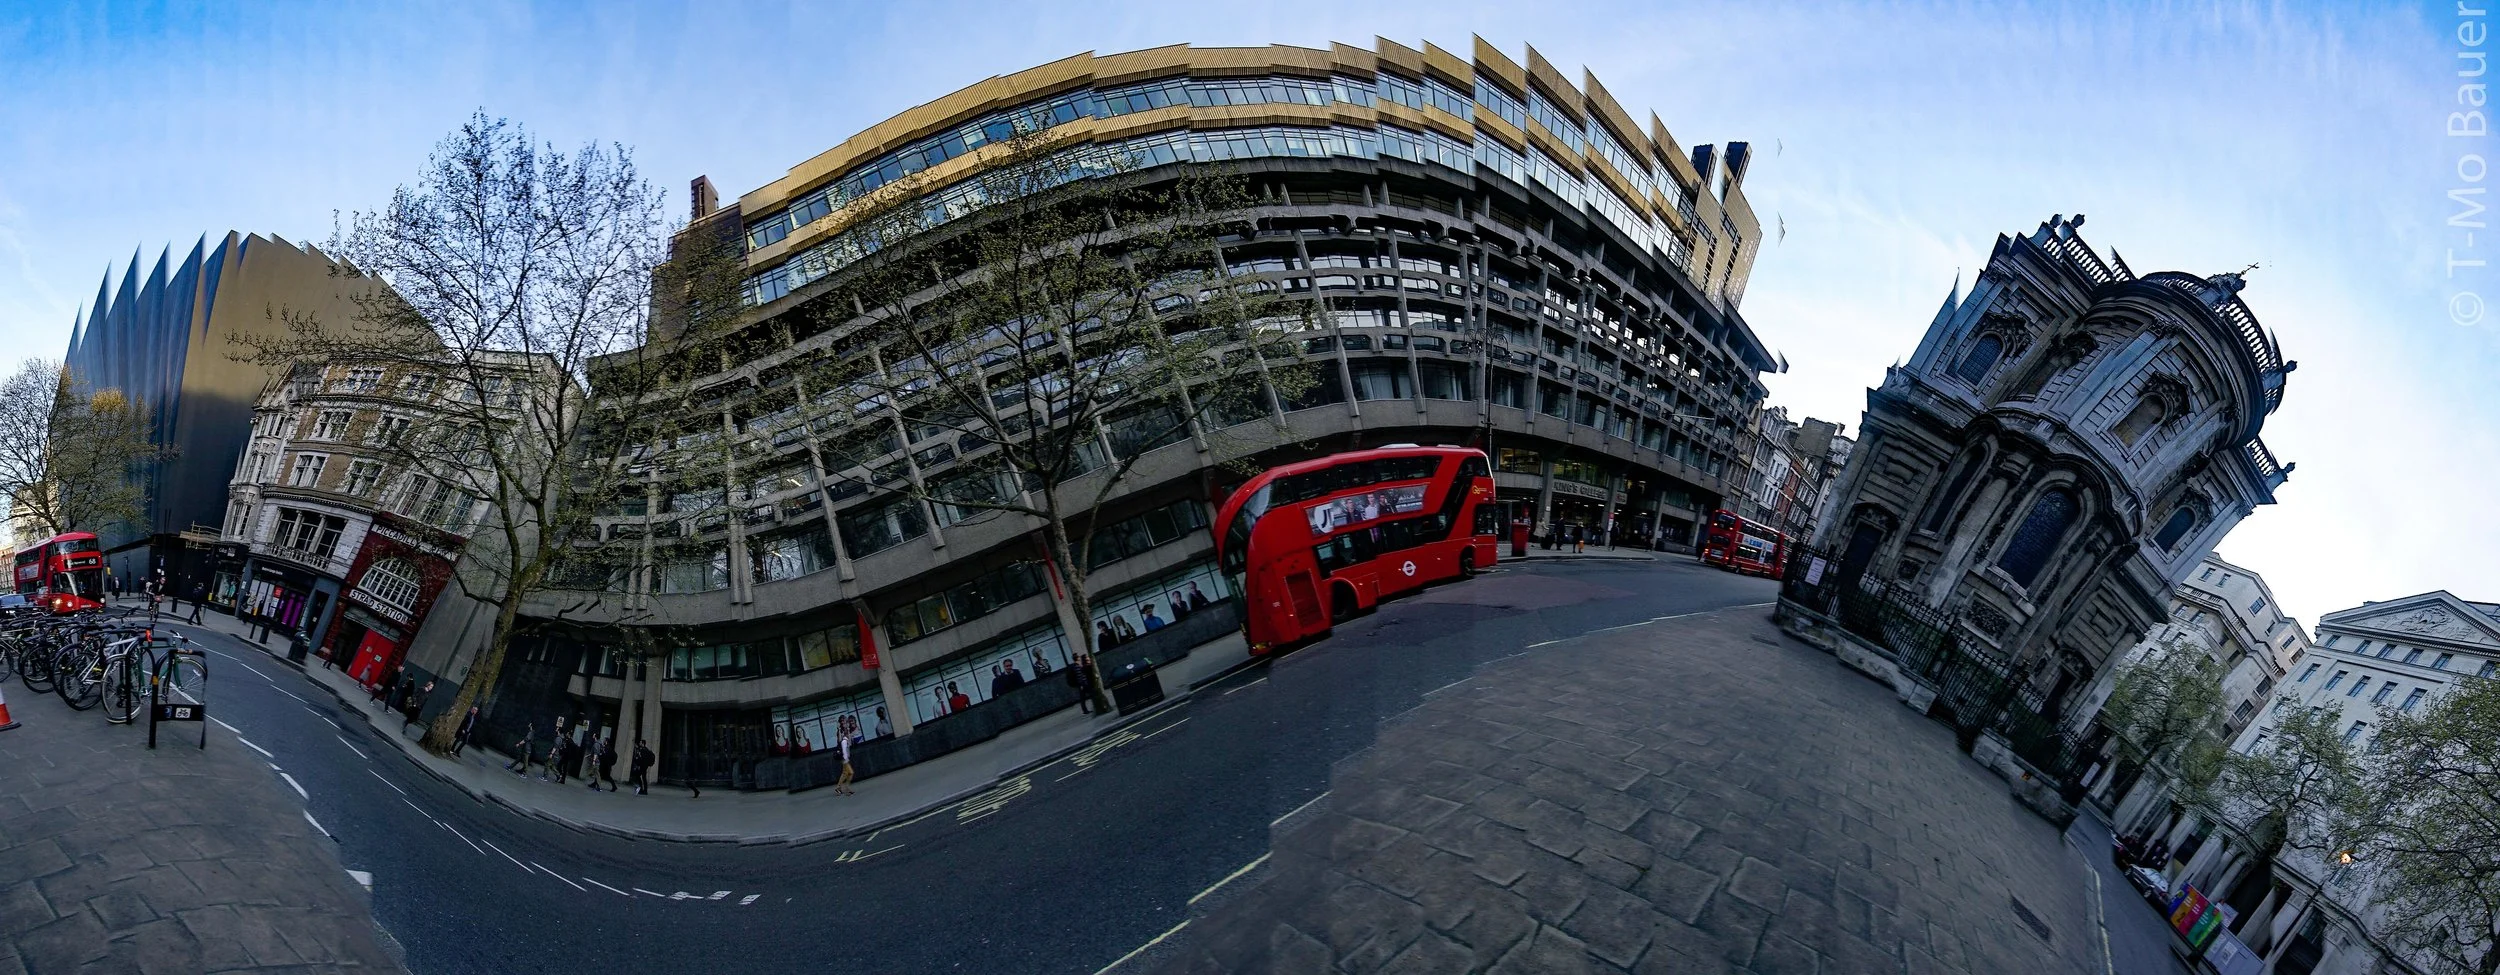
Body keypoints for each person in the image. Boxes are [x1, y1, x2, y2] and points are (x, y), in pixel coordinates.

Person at [833, 727, 856, 796]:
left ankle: (840, 788)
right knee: (849, 773)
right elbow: (844, 751)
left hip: (845, 760)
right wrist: (846, 760)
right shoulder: (844, 741)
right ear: (847, 734)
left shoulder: (846, 741)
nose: (850, 735)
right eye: (848, 733)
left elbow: (849, 746)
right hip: (845, 760)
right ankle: (843, 788)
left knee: (846, 773)